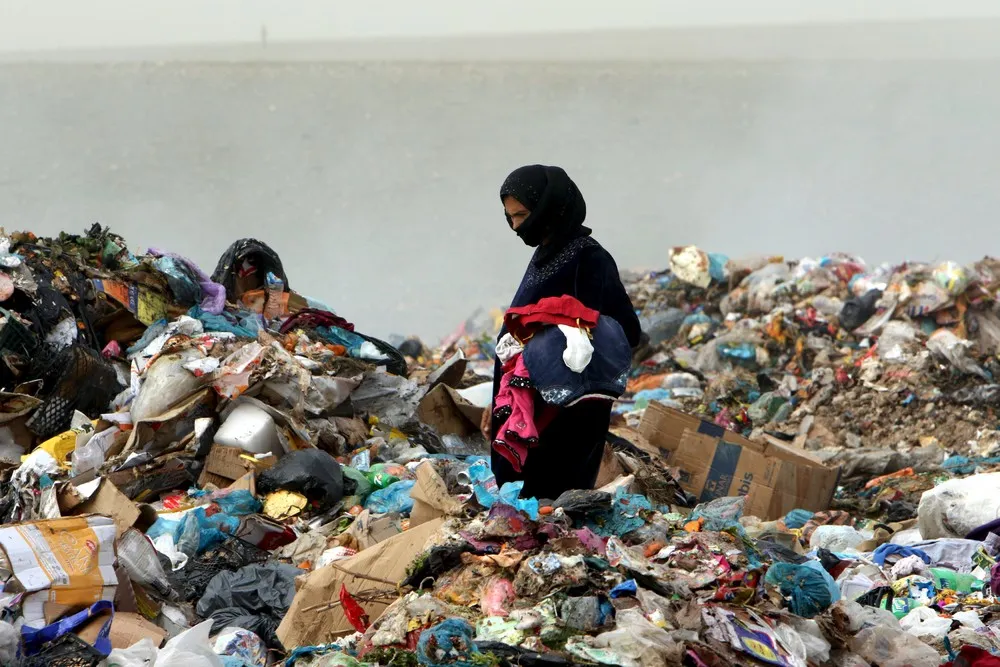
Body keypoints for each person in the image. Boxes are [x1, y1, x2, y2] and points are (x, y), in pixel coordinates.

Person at [483, 165, 641, 500]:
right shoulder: (544, 254)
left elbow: (625, 329)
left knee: (551, 499)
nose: (515, 227)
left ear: (549, 208)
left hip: (565, 412)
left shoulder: (590, 258)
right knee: (521, 502)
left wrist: (557, 348)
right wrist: (500, 398)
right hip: (524, 400)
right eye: (509, 217)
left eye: (522, 215)